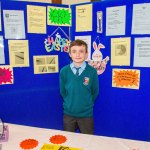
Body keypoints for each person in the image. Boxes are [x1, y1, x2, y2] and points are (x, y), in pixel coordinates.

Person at [59, 39, 99, 134]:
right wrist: (70, 104)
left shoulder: (92, 71)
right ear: (70, 54)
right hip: (69, 114)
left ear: (86, 54)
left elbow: (95, 92)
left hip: (86, 115)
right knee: (68, 141)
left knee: (88, 141)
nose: (77, 55)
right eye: (74, 51)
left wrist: (85, 104)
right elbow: (63, 92)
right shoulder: (64, 71)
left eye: (81, 51)